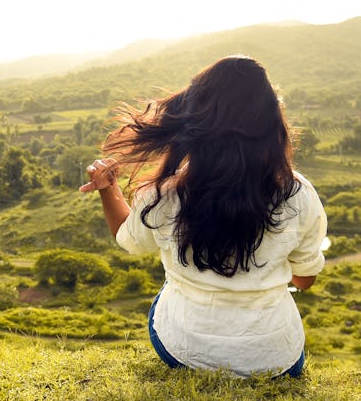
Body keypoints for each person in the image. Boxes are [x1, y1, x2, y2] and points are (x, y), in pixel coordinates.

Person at [80, 55, 327, 378]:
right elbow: (304, 281)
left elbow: (129, 240)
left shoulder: (165, 193)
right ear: (271, 125)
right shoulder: (298, 195)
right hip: (276, 360)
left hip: (185, 351)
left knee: (169, 292)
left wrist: (108, 189)